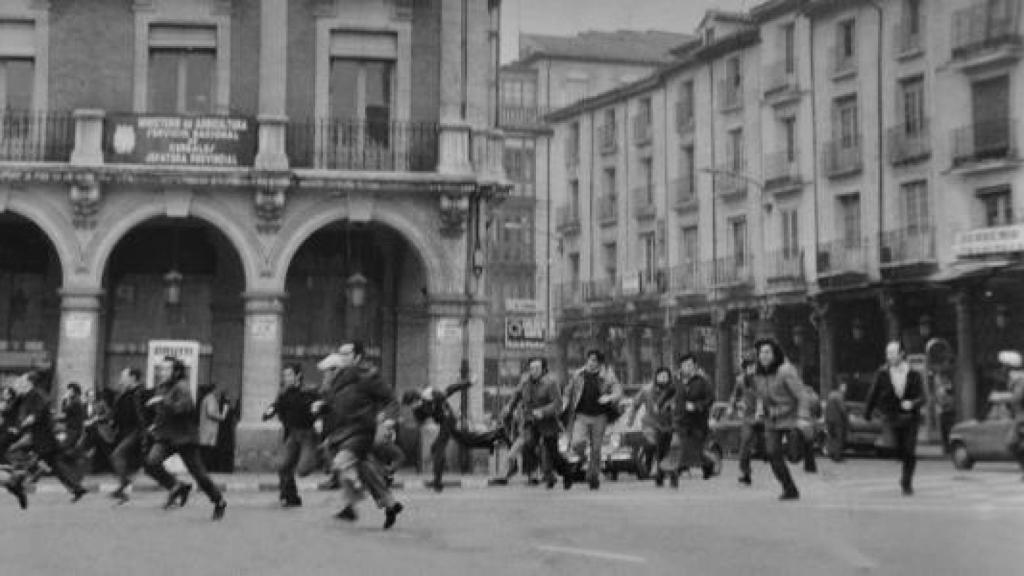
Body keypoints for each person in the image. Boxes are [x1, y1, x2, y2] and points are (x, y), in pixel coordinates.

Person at [315, 341, 403, 529]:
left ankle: (355, 495)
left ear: (357, 357)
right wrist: (322, 408)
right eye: (341, 353)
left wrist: (388, 419)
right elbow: (335, 403)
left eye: (347, 354)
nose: (342, 357)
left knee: (342, 464)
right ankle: (390, 504)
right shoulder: (340, 378)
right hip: (341, 432)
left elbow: (391, 400)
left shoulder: (369, 376)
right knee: (364, 469)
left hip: (361, 431)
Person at [143, 356, 227, 520]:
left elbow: (184, 407)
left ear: (176, 371)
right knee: (151, 463)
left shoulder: (182, 387)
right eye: (161, 369)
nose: (162, 372)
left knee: (199, 474)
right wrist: (154, 425)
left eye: (167, 369)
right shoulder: (161, 387)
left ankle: (219, 500)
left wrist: (163, 401)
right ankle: (177, 486)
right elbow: (161, 412)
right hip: (166, 436)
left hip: (184, 438)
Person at [9, 371, 88, 502]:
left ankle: (17, 482)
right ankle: (77, 488)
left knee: (38, 461)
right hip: (39, 437)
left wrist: (22, 425)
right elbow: (16, 409)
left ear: (29, 382)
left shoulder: (37, 395)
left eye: (23, 380)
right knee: (55, 465)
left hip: (44, 438)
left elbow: (37, 413)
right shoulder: (27, 395)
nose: (21, 383)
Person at [864, 341, 926, 496]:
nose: (890, 357)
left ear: (901, 354)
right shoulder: (882, 373)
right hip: (892, 417)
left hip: (910, 418)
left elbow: (923, 397)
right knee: (896, 449)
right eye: (888, 354)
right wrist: (868, 412)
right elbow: (873, 393)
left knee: (909, 450)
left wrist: (912, 403)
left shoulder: (914, 374)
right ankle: (902, 462)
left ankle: (906, 482)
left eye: (893, 354)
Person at [503, 357, 574, 489]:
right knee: (527, 443)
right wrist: (509, 407)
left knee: (553, 454)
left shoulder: (551, 383)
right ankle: (531, 473)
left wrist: (543, 411)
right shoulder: (525, 381)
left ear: (543, 369)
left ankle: (566, 472)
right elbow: (517, 395)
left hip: (548, 423)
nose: (533, 371)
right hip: (530, 421)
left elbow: (558, 404)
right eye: (531, 368)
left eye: (537, 368)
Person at [754, 338, 809, 501]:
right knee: (772, 453)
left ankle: (801, 449)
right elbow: (759, 396)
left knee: (794, 455)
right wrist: (759, 411)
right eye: (761, 353)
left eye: (767, 352)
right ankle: (789, 488)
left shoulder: (785, 371)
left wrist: (803, 418)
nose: (763, 356)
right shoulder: (758, 374)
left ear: (775, 354)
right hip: (772, 419)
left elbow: (802, 395)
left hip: (790, 416)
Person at [563, 350, 623, 490]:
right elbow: (568, 391)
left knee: (596, 449)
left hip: (599, 416)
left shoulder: (608, 376)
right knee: (577, 442)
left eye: (595, 360)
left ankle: (593, 476)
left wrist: (609, 397)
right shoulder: (578, 374)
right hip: (582, 415)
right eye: (589, 359)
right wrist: (565, 403)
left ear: (600, 363)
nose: (591, 362)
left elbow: (618, 392)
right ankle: (583, 458)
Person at [263, 363, 321, 507]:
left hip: (308, 434)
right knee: (283, 466)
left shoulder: (309, 392)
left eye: (289, 375)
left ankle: (318, 456)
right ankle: (289, 496)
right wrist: (269, 411)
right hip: (291, 433)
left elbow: (320, 406)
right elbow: (276, 405)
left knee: (301, 468)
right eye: (284, 375)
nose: (286, 378)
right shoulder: (284, 394)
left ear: (298, 376)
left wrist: (319, 417)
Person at [401, 378, 472, 492]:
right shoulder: (417, 409)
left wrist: (468, 382)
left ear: (415, 399)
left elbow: (450, 389)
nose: (411, 407)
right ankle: (439, 473)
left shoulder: (431, 395)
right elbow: (421, 420)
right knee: (435, 449)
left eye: (411, 404)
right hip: (442, 422)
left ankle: (437, 483)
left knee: (439, 449)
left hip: (449, 420)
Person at [664, 353, 715, 488]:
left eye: (690, 365)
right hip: (680, 421)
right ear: (680, 367)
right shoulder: (676, 381)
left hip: (697, 422)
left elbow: (710, 399)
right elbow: (668, 393)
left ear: (695, 366)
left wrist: (697, 406)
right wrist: (662, 404)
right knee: (677, 446)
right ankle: (674, 472)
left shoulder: (703, 381)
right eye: (684, 365)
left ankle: (708, 463)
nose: (687, 368)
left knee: (694, 451)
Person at [628, 366, 675, 486]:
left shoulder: (673, 391)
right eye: (661, 376)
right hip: (650, 424)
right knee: (653, 444)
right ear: (656, 377)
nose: (663, 379)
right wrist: (631, 420)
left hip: (668, 425)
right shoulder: (647, 390)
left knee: (665, 450)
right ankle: (649, 464)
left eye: (666, 377)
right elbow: (635, 404)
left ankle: (660, 472)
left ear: (669, 378)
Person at [108, 368, 149, 503]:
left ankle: (124, 484)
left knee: (117, 455)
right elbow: (118, 412)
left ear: (132, 378)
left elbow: (146, 414)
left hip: (137, 432)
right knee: (128, 461)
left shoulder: (141, 393)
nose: (121, 380)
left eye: (123, 377)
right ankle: (123, 489)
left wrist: (146, 432)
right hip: (126, 432)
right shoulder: (125, 394)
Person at [730, 358, 761, 485]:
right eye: (749, 367)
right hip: (748, 417)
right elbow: (734, 397)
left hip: (763, 416)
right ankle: (745, 472)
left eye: (754, 367)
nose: (752, 369)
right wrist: (735, 405)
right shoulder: (740, 381)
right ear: (745, 368)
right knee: (745, 444)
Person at [198, 383, 227, 471]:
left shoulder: (206, 398)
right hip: (209, 429)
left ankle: (205, 468)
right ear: (214, 390)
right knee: (208, 451)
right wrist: (222, 416)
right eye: (217, 390)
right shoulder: (211, 398)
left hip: (206, 429)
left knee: (206, 450)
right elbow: (211, 413)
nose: (218, 392)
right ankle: (207, 469)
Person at [1005, 352, 1024, 481]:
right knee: (1012, 443)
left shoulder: (1019, 381)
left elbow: (1017, 399)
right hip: (1019, 419)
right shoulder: (1015, 382)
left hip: (1021, 418)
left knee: (1013, 443)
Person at [824, 380, 849, 463]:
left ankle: (832, 454)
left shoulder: (830, 395)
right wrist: (846, 419)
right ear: (840, 387)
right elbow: (842, 409)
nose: (845, 389)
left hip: (829, 420)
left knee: (831, 437)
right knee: (838, 438)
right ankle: (837, 457)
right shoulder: (839, 396)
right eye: (844, 387)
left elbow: (826, 408)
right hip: (837, 420)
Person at [934, 373, 956, 454]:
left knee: (948, 432)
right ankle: (946, 449)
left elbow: (948, 400)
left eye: (938, 379)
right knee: (944, 432)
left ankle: (948, 449)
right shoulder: (940, 389)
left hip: (947, 412)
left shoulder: (947, 388)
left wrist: (942, 404)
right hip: (943, 412)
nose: (937, 381)